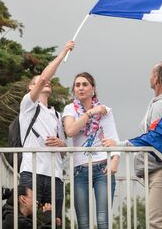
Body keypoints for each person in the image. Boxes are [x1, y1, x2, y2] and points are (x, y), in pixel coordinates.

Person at [102, 61, 162, 229]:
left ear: (156, 80)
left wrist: (120, 145)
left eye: (151, 74)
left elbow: (155, 138)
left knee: (157, 222)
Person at [18, 41, 75, 227]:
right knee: (27, 221)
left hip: (55, 176)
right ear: (30, 88)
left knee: (55, 222)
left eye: (49, 82)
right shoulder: (28, 106)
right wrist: (63, 53)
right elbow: (43, 78)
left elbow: (65, 151)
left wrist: (62, 144)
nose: (46, 82)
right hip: (31, 172)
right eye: (39, 82)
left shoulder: (57, 115)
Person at [62, 72, 120, 229]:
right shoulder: (70, 109)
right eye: (77, 85)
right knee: (83, 223)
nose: (81, 88)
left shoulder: (104, 110)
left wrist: (115, 160)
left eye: (85, 84)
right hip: (79, 170)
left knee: (103, 221)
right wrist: (90, 113)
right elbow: (70, 131)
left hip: (103, 168)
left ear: (93, 88)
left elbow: (113, 138)